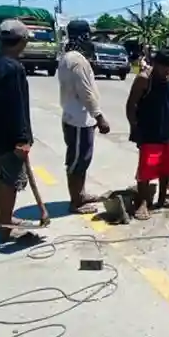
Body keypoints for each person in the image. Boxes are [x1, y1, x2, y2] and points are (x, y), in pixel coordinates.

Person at [0, 19, 37, 240]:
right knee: (10, 181)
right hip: (10, 137)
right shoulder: (13, 68)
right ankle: (5, 226)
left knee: (4, 177)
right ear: (20, 41)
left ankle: (3, 219)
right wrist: (22, 139)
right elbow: (16, 107)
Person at [58, 19, 111, 214]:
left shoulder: (68, 57)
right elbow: (85, 92)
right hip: (79, 119)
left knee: (82, 160)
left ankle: (80, 194)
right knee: (77, 162)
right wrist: (99, 116)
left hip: (74, 116)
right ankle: (76, 202)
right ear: (83, 36)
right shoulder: (77, 61)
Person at [126, 49, 169, 220]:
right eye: (166, 67)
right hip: (150, 133)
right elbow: (131, 105)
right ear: (156, 64)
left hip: (168, 131)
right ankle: (143, 202)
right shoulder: (144, 79)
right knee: (147, 169)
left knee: (167, 168)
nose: (168, 71)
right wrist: (135, 128)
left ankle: (161, 199)